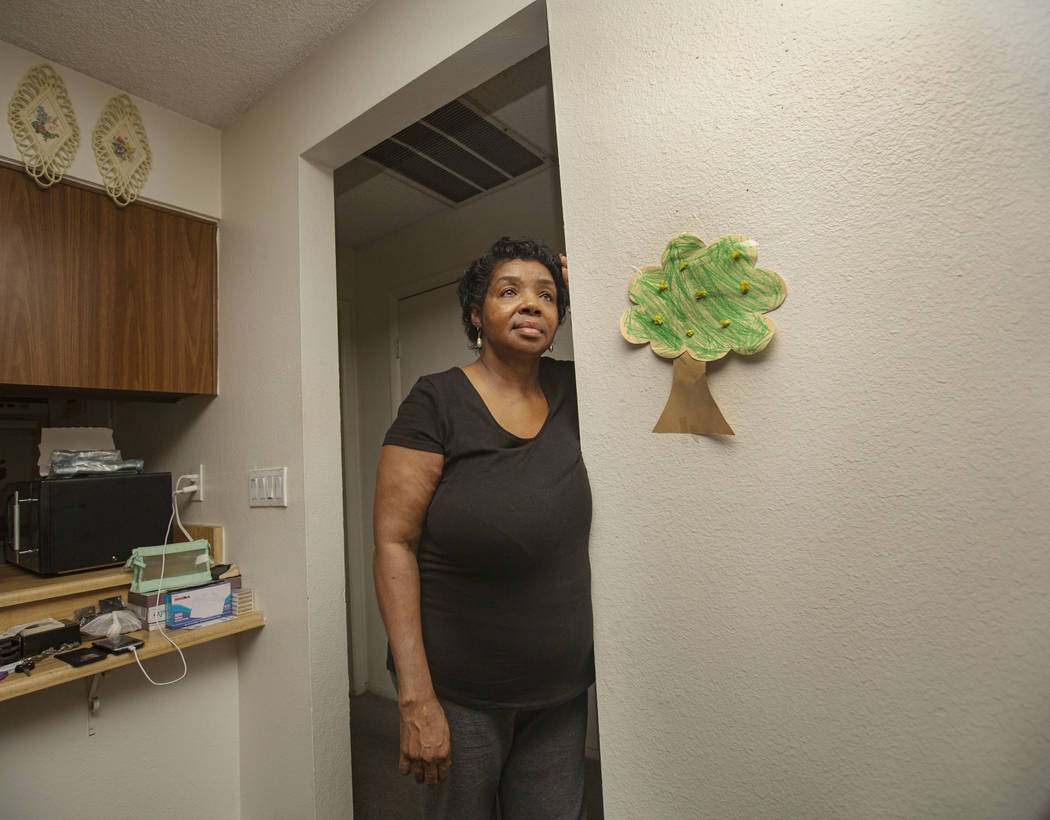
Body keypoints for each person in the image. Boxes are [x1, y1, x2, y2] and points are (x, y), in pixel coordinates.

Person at [373, 236, 594, 820]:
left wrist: (597, 281)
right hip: (460, 692)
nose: (531, 304)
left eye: (547, 295)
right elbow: (394, 544)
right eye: (509, 291)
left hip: (561, 689)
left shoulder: (580, 390)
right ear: (477, 313)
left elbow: (642, 355)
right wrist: (416, 698)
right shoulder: (436, 400)